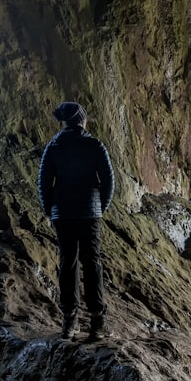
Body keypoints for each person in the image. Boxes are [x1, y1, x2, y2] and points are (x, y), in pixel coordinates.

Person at [38, 101, 115, 340]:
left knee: (67, 262)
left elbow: (43, 183)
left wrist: (50, 211)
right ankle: (97, 323)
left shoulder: (54, 146)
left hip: (63, 213)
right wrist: (100, 207)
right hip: (89, 212)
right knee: (92, 263)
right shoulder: (94, 145)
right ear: (81, 121)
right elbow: (108, 180)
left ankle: (69, 323)